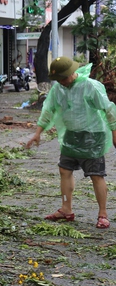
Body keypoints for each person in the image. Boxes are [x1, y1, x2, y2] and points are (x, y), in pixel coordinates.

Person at [26, 56, 116, 229]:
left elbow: (109, 109)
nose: (61, 82)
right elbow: (48, 110)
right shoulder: (58, 89)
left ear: (72, 73)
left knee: (96, 174)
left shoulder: (90, 86)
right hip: (71, 135)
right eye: (58, 79)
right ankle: (66, 209)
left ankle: (103, 214)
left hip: (92, 135)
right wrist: (38, 133)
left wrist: (114, 132)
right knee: (64, 170)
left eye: (63, 78)